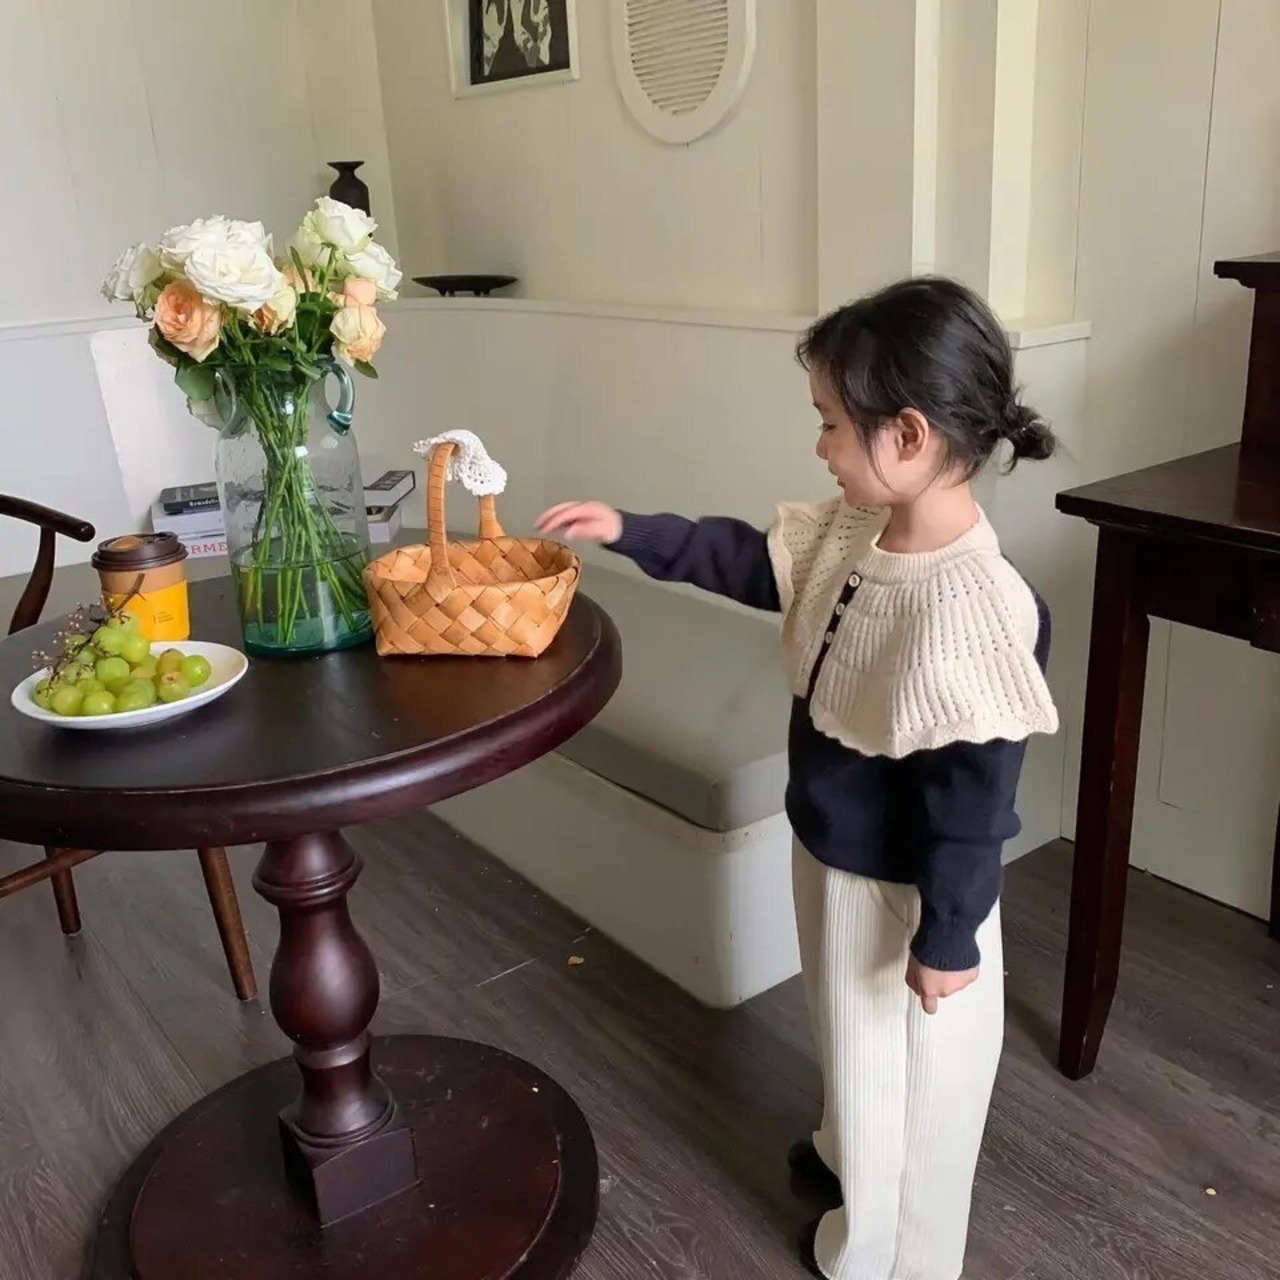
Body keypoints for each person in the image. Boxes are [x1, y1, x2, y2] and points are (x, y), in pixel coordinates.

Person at [537, 276, 1060, 1280]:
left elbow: (973, 804)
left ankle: (887, 1253)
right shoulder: (858, 531)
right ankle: (843, 1149)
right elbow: (748, 561)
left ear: (907, 435)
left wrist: (949, 935)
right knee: (850, 1041)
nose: (819, 445)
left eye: (829, 423)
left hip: (906, 893)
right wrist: (631, 529)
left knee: (909, 1078)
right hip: (829, 845)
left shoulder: (977, 609)